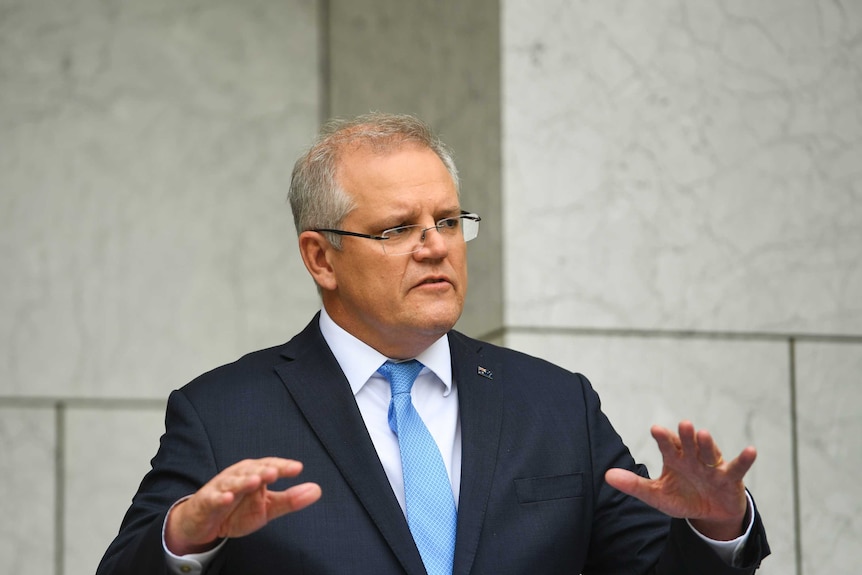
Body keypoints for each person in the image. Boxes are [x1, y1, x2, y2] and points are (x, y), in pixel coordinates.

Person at [97, 112, 770, 574]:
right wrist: (187, 537)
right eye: (398, 229)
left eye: (448, 220)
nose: (435, 247)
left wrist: (715, 527)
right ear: (320, 257)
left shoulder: (554, 402)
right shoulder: (224, 412)